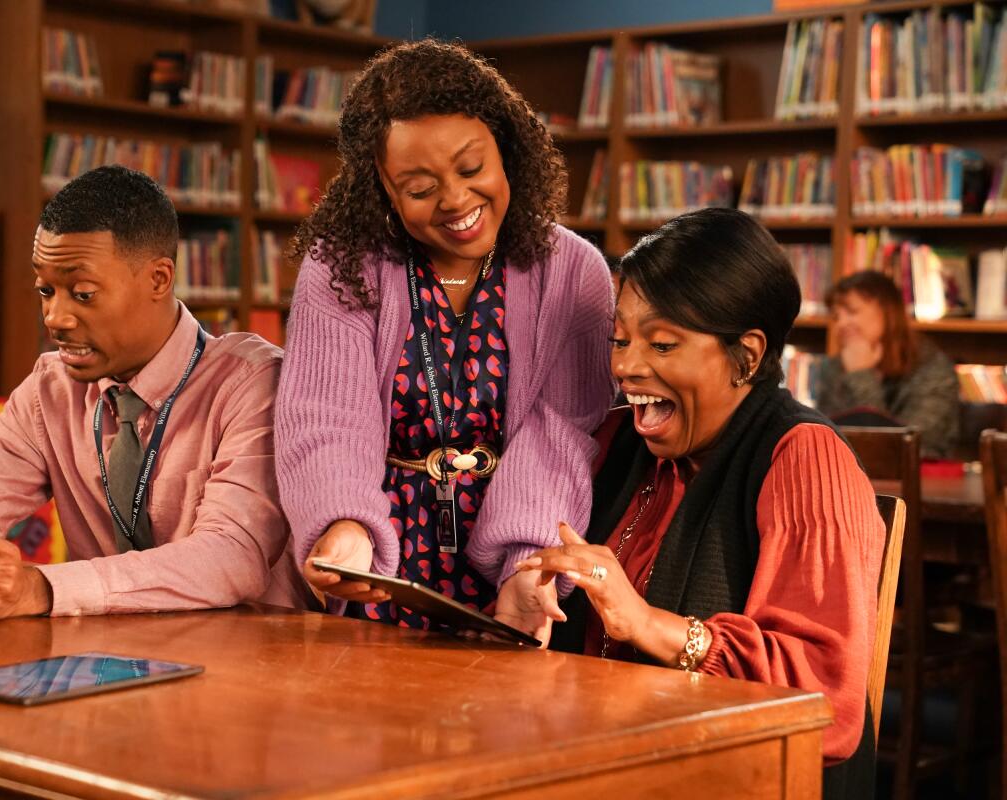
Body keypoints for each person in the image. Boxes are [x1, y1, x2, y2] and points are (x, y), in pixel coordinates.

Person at [0, 166, 309, 620]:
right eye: (46, 291)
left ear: (159, 279)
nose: (56, 318)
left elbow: (232, 556)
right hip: (110, 662)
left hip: (247, 662)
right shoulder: (48, 389)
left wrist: (43, 588)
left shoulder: (253, 382)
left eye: (83, 294)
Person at [516, 209, 882, 797]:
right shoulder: (617, 439)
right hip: (611, 758)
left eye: (662, 343)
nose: (626, 366)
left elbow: (825, 698)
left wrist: (647, 624)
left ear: (748, 355)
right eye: (620, 339)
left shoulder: (805, 457)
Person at [275, 39, 615, 645]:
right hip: (380, 567)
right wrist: (344, 528)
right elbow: (326, 418)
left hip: (511, 579)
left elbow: (559, 433)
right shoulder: (340, 267)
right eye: (419, 185)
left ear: (505, 147)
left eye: (470, 168)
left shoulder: (575, 271)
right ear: (381, 184)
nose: (456, 201)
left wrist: (527, 563)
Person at [816, 270, 959, 459]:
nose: (841, 324)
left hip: (923, 484)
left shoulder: (933, 368)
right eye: (836, 316)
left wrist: (861, 376)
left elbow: (909, 448)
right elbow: (825, 442)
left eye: (852, 312)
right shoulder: (832, 368)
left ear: (887, 311)